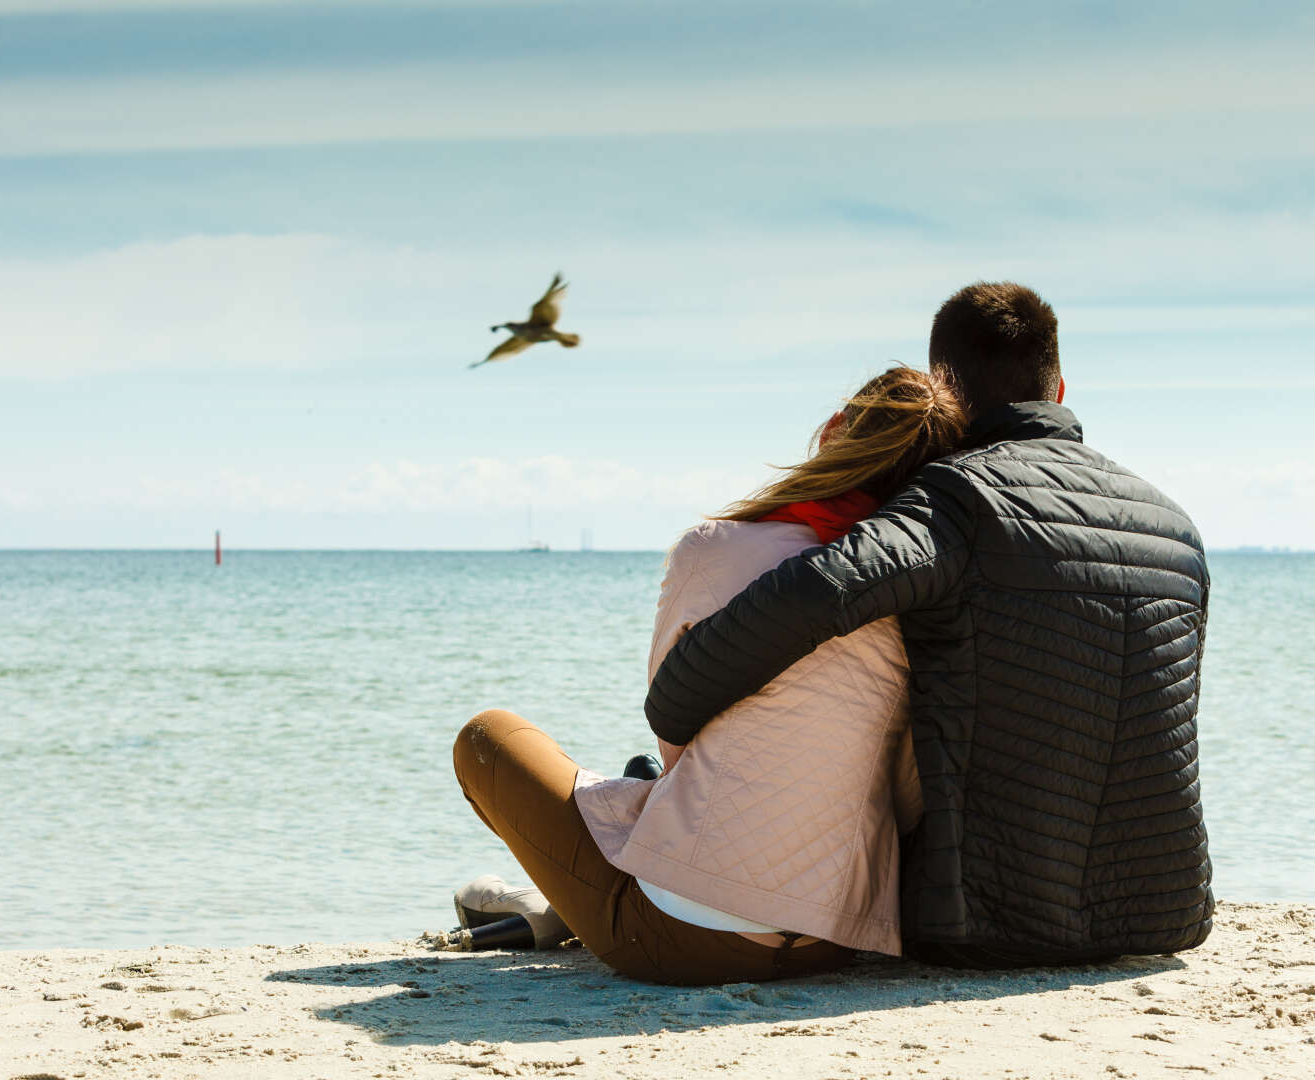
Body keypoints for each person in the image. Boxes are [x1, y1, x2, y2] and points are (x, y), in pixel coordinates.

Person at [645, 282, 1215, 968]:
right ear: (1058, 388)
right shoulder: (1178, 528)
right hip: (1166, 911)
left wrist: (675, 702)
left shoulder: (957, 499)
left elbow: (818, 590)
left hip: (989, 924)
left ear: (944, 391)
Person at [454, 365, 966, 984]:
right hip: (834, 935)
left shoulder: (713, 548)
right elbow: (908, 785)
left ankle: (555, 906)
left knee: (488, 739)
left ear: (834, 431)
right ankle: (557, 906)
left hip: (680, 938)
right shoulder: (924, 592)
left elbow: (678, 739)